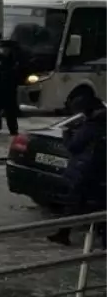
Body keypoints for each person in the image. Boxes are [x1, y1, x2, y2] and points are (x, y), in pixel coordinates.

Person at [49, 94, 107, 246]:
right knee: (100, 206)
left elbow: (74, 147)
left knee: (74, 203)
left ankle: (64, 233)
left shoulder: (91, 126)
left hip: (85, 171)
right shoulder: (100, 123)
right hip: (101, 173)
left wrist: (66, 134)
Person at [0, 38, 22, 137]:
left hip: (9, 89)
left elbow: (17, 74)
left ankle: (13, 129)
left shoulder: (13, 60)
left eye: (6, 49)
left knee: (10, 111)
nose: (4, 51)